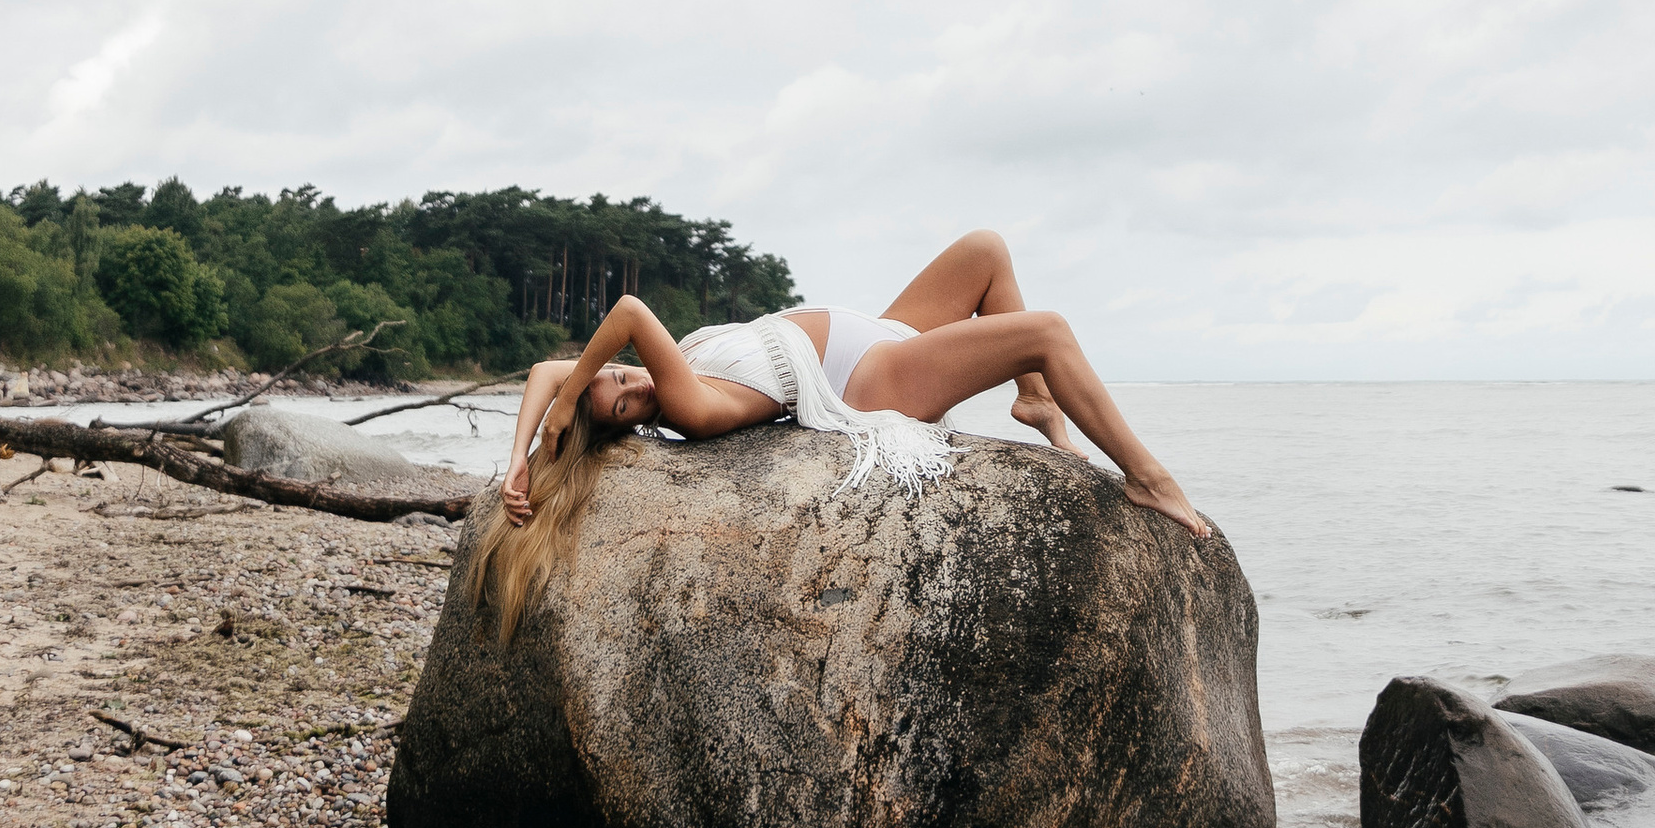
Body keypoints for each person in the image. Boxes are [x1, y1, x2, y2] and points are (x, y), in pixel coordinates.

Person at [487, 227, 1207, 624]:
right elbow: (628, 314)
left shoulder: (648, 372)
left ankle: (1037, 402)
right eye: (621, 400)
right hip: (866, 382)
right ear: (633, 424)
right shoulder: (684, 404)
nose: (630, 380)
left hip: (880, 332)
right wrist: (566, 409)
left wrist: (524, 454)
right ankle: (1147, 477)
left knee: (985, 251)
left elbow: (547, 375)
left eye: (617, 374)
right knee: (1047, 331)